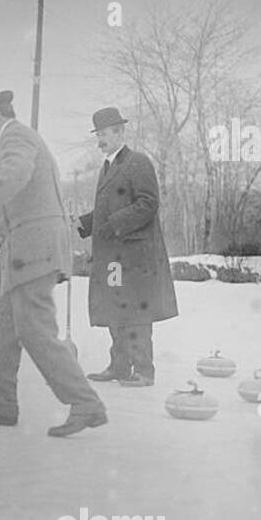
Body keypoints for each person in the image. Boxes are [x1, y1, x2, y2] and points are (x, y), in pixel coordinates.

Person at [0, 86, 106, 438]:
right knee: (0, 325)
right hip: (22, 251)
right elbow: (11, 210)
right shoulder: (13, 142)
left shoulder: (17, 138)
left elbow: (13, 177)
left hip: (35, 250)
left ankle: (86, 403)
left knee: (36, 329)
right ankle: (1, 403)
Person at [76, 107, 178, 387]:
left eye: (105, 134)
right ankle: (119, 366)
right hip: (112, 259)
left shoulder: (138, 162)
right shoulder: (107, 166)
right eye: (98, 134)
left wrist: (113, 224)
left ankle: (144, 371)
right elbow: (108, 208)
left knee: (136, 311)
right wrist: (83, 223)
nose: (100, 140)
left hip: (135, 257)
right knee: (114, 306)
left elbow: (148, 203)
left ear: (120, 132)